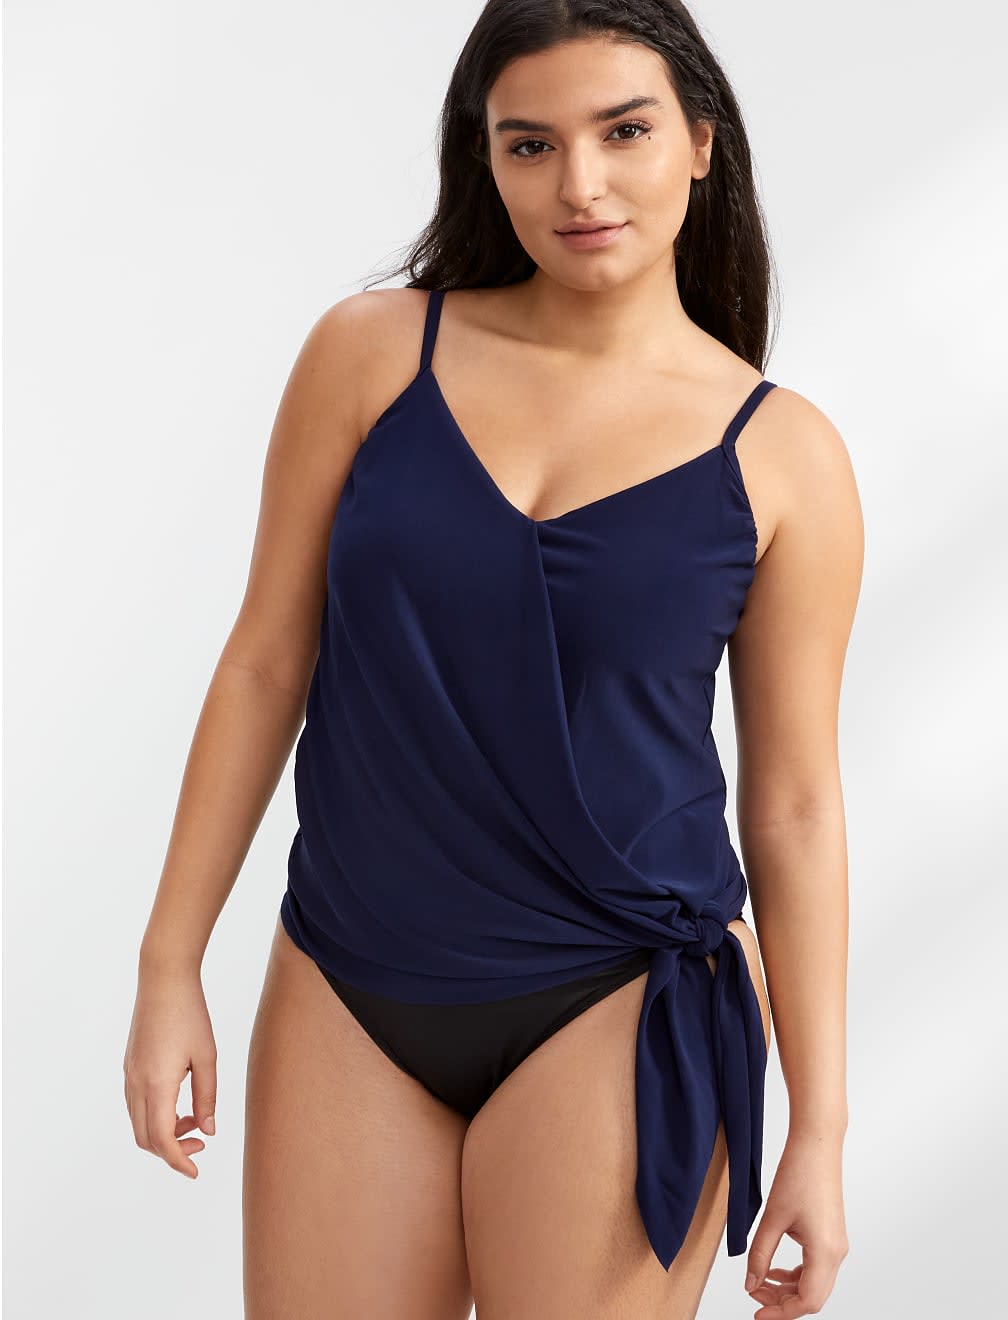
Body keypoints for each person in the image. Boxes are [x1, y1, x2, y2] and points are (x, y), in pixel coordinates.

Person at [123, 2, 862, 1316]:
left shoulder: (782, 455)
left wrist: (820, 1127)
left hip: (616, 996)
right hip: (349, 974)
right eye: (530, 144)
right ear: (486, 158)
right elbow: (264, 663)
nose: (579, 185)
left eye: (623, 133)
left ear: (700, 143)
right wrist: (168, 964)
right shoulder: (369, 355)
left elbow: (795, 803)